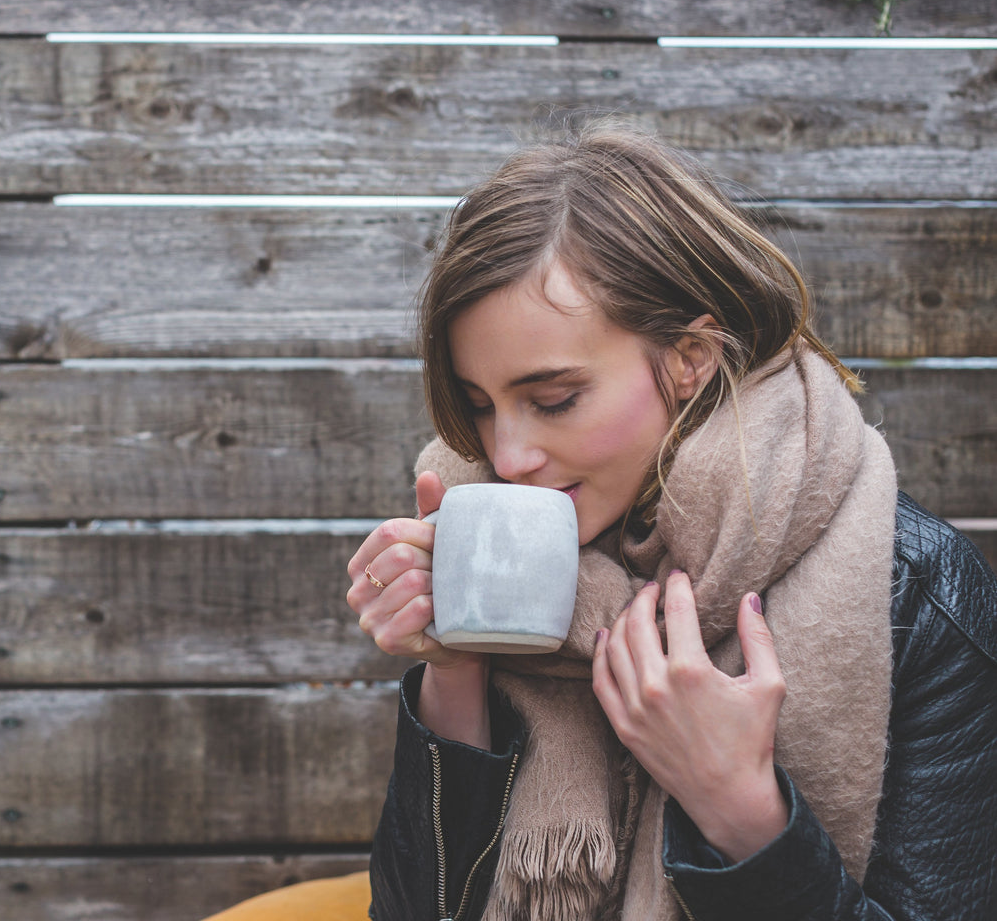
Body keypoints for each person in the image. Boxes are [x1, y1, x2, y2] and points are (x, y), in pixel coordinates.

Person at [338, 125, 997, 921]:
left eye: (554, 400)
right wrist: (456, 670)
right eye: (479, 405)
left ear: (690, 357)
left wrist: (738, 807)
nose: (507, 457)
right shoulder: (492, 557)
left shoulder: (918, 597)